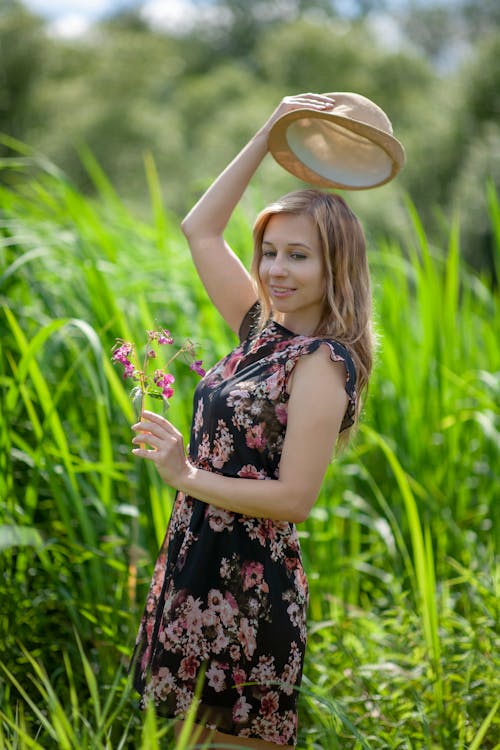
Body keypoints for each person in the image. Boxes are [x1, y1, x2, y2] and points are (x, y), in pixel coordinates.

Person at [130, 93, 374, 749]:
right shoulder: (258, 332)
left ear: (336, 267)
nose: (276, 270)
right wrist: (271, 132)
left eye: (300, 255)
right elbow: (199, 229)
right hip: (192, 568)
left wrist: (184, 473)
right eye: (269, 251)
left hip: (248, 592)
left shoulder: (323, 360)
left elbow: (295, 499)